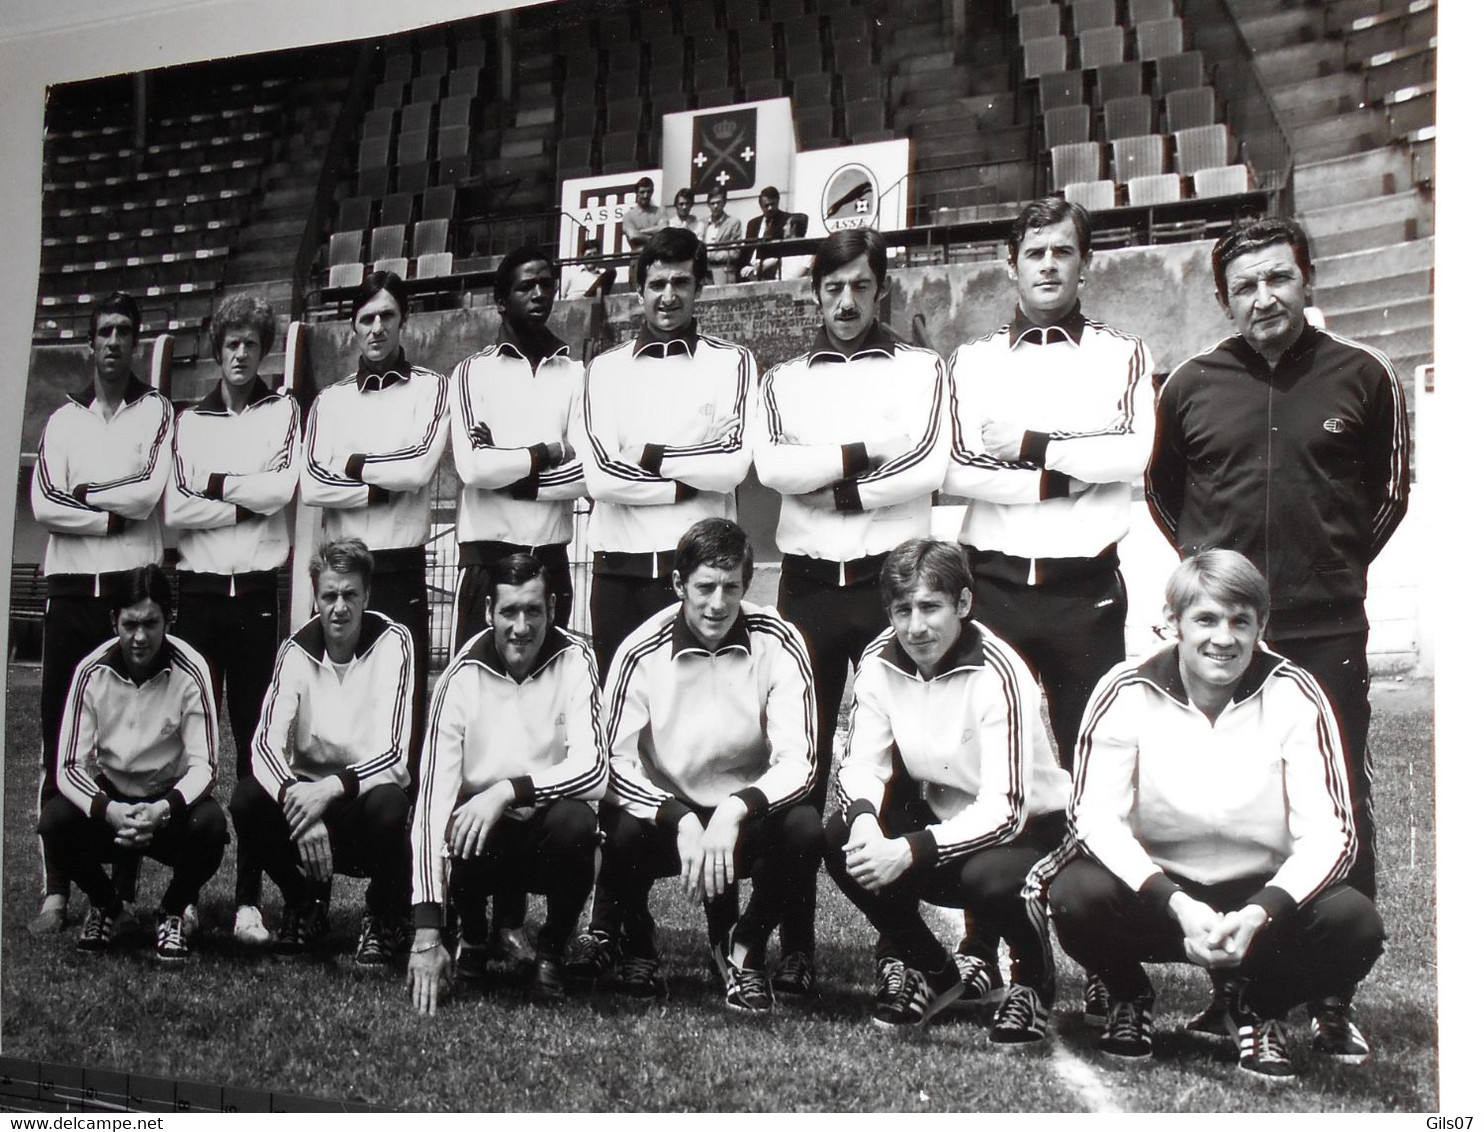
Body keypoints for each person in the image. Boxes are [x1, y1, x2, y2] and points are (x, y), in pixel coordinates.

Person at [1146, 217, 1409, 908]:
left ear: (1306, 279)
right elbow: (1164, 496)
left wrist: (1328, 564)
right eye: (1245, 286)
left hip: (1326, 628)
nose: (1264, 297)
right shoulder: (1189, 385)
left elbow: (1389, 494)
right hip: (1222, 635)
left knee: (1335, 791)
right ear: (1224, 300)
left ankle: (1328, 991)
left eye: (1278, 278)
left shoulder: (1366, 374)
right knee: (1223, 801)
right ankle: (1234, 980)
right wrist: (1217, 580)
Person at [1042, 550, 1384, 1081]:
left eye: (1239, 621)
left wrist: (1258, 912)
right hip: (1161, 892)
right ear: (1172, 621)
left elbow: (1332, 833)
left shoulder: (1295, 693)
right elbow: (1092, 817)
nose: (1223, 638)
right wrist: (1174, 902)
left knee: (1354, 924)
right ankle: (1129, 995)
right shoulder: (1126, 688)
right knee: (1075, 896)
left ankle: (1261, 1009)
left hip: (1262, 894)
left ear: (1260, 626)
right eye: (1205, 619)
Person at [943, 197, 1154, 1019]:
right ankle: (982, 943)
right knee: (990, 767)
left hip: (1084, 591)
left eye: (1063, 251)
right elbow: (959, 468)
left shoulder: (1122, 353)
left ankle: (1103, 953)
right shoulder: (972, 360)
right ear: (1010, 263)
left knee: (1090, 775)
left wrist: (1026, 446)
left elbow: (1132, 454)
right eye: (1034, 252)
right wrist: (1073, 462)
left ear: (1084, 261)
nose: (1048, 265)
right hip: (994, 583)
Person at [752, 225, 949, 995]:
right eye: (831, 288)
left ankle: (896, 944)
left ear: (881, 289)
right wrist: (870, 454)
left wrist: (827, 476)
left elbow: (928, 462)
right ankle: (794, 941)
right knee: (797, 767)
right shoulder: (784, 380)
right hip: (806, 585)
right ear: (814, 293)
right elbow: (773, 468)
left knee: (892, 759)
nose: (845, 301)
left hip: (885, 584)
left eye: (860, 286)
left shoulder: (921, 367)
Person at [568, 519, 822, 1014]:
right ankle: (635, 941)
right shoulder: (641, 647)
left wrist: (734, 810)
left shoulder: (780, 640)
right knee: (616, 828)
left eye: (731, 587)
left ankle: (743, 948)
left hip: (740, 818)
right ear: (679, 584)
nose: (717, 603)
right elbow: (611, 762)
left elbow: (802, 762)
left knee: (805, 827)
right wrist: (676, 815)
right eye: (705, 587)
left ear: (747, 585)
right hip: (670, 818)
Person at [825, 539, 1069, 1040]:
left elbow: (1006, 810)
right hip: (943, 818)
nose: (915, 627)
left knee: (991, 878)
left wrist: (908, 852)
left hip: (1028, 830)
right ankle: (933, 971)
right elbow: (858, 767)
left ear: (962, 604)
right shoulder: (878, 661)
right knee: (839, 837)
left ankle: (1031, 984)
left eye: (930, 607)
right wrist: (868, 823)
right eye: (902, 610)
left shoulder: (1000, 671)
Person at [29, 291, 174, 934]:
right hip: (68, 593)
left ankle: (118, 879)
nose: (113, 341)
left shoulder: (158, 411)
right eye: (103, 332)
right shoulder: (62, 421)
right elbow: (43, 503)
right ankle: (57, 887)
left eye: (124, 331)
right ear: (90, 344)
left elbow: (147, 494)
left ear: (135, 342)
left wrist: (85, 495)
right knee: (57, 740)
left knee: (125, 744)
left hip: (127, 593)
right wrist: (104, 512)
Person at [406, 554, 605, 1013]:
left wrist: (508, 791)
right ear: (488, 612)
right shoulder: (459, 678)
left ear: (552, 609)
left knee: (577, 823)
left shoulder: (576, 661)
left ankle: (552, 949)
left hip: (545, 830)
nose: (521, 627)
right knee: (460, 819)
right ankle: (473, 938)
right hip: (483, 840)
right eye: (509, 612)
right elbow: (431, 806)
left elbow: (595, 770)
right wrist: (426, 931)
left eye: (533, 611)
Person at [164, 292, 300, 949]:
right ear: (217, 350)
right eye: (230, 344)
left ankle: (249, 901)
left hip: (255, 599)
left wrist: (213, 488)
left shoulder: (283, 410)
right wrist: (240, 492)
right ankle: (184, 898)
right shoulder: (189, 420)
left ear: (263, 347)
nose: (241, 354)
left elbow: (280, 492)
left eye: (251, 343)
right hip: (198, 594)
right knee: (193, 741)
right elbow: (176, 509)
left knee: (251, 745)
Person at [572, 224, 755, 677]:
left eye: (680, 282)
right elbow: (599, 479)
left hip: (701, 577)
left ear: (700, 287)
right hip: (620, 575)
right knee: (624, 715)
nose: (668, 295)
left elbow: (730, 467)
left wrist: (645, 454)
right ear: (639, 292)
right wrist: (694, 462)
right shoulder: (603, 371)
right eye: (657, 283)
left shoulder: (732, 363)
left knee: (703, 717)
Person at [229, 538, 415, 967]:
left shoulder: (394, 641)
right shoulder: (295, 649)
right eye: (329, 595)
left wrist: (331, 789)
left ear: (367, 595)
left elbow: (396, 752)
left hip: (363, 797)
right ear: (315, 597)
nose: (340, 607)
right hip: (307, 799)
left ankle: (381, 916)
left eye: (350, 594)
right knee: (246, 799)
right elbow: (263, 745)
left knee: (393, 803)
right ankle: (303, 903)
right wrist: (297, 800)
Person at [300, 270, 449, 784]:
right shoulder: (330, 401)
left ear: (403, 320)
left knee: (404, 700)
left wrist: (353, 464)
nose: (377, 327)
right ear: (352, 328)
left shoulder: (431, 388)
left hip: (399, 567)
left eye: (387, 315)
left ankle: (399, 828)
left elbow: (417, 469)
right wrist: (383, 483)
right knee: (343, 697)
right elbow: (314, 483)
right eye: (366, 318)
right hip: (344, 572)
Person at [40, 564, 226, 962]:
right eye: (129, 624)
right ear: (114, 622)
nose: (140, 636)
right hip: (113, 798)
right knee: (54, 820)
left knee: (211, 827)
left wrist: (163, 808)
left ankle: (172, 910)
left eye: (151, 623)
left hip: (166, 802)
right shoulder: (91, 671)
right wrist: (108, 811)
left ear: (168, 619)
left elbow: (205, 766)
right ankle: (109, 907)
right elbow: (69, 765)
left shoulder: (191, 670)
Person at [449, 247, 585, 645]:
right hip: (489, 558)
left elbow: (588, 472)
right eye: (526, 286)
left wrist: (513, 474)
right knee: (481, 692)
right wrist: (549, 452)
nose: (539, 293)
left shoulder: (574, 373)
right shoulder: (472, 373)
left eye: (546, 284)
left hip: (551, 556)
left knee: (549, 692)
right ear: (500, 302)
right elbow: (475, 469)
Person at [739, 186, 787, 281]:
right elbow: (746, 249)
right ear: (761, 206)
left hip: (769, 270)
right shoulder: (753, 223)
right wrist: (742, 267)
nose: (770, 208)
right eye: (766, 205)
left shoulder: (785, 221)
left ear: (778, 201)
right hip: (748, 269)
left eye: (773, 204)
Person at [701, 186, 743, 285]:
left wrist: (711, 255)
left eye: (718, 202)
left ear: (724, 203)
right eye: (712, 203)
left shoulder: (733, 223)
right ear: (708, 205)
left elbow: (735, 251)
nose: (715, 206)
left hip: (723, 272)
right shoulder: (702, 223)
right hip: (704, 273)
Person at [620, 175, 667, 254]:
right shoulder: (629, 216)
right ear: (637, 193)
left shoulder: (660, 211)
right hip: (638, 257)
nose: (645, 196)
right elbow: (633, 236)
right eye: (642, 192)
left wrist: (640, 231)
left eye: (648, 192)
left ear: (652, 192)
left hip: (658, 257)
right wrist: (657, 240)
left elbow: (664, 229)